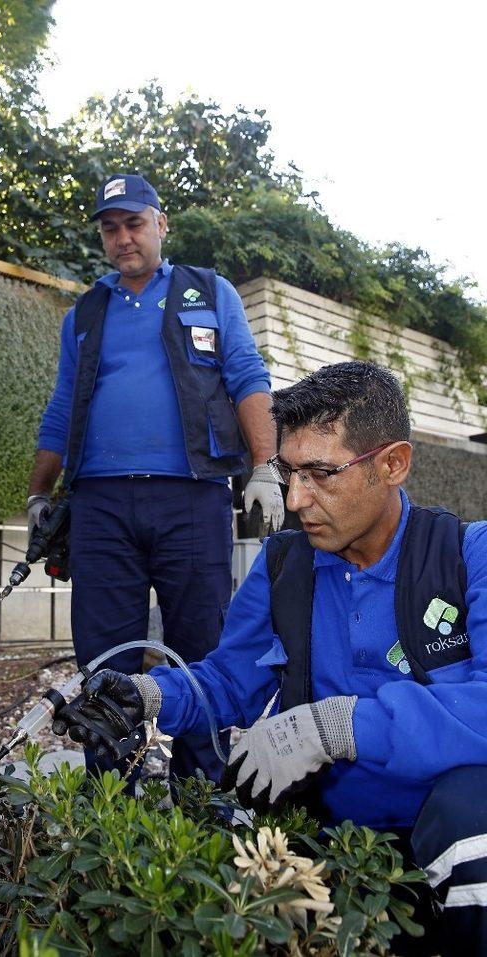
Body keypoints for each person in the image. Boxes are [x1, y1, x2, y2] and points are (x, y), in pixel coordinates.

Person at [63, 360, 487, 956]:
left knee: (473, 819)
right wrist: (148, 695)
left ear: (393, 464)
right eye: (289, 473)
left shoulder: (468, 555)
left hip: (449, 842)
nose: (296, 499)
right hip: (333, 850)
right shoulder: (286, 565)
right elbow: (229, 683)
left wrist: (333, 726)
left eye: (321, 473)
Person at [28, 172, 284, 785]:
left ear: (161, 223)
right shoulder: (85, 312)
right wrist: (39, 493)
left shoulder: (209, 292)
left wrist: (267, 469)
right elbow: (64, 405)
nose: (123, 238)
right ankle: (113, 792)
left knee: (200, 641)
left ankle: (201, 788)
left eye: (134, 223)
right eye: (110, 228)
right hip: (101, 506)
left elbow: (248, 376)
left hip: (191, 498)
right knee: (103, 650)